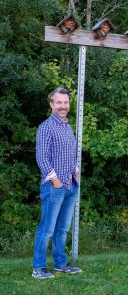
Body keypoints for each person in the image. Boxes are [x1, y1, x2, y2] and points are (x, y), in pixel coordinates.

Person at [32, 87, 82, 279]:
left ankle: (60, 264)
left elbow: (71, 154)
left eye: (66, 102)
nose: (63, 106)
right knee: (47, 230)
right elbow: (42, 158)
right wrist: (56, 182)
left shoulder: (67, 126)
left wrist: (75, 173)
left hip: (70, 186)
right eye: (59, 102)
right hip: (54, 188)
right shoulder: (46, 127)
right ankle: (39, 268)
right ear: (51, 104)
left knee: (62, 229)